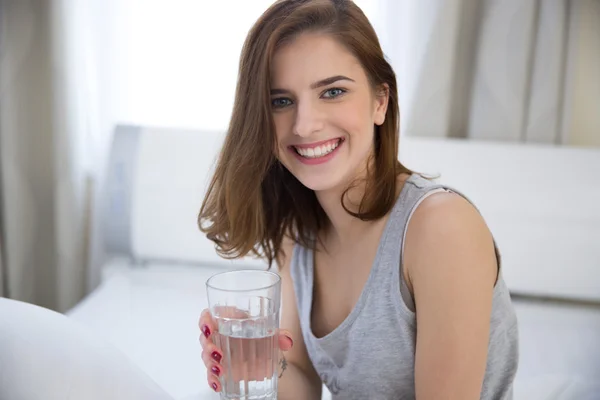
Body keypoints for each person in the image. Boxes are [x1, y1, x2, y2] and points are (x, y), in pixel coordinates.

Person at [197, 0, 519, 399]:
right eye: (281, 101)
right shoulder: (297, 232)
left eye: (332, 92)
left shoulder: (441, 228)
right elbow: (299, 375)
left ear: (380, 101)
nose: (305, 124)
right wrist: (264, 364)